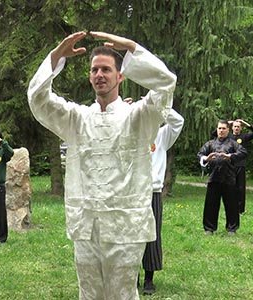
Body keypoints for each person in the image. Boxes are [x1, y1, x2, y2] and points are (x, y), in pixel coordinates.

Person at [27, 31, 177, 300]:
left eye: (106, 69)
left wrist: (132, 48)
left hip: (126, 226)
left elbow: (166, 84)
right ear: (89, 77)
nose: (99, 75)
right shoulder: (76, 118)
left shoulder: (139, 116)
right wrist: (57, 55)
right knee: (89, 293)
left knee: (122, 294)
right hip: (86, 225)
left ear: (120, 76)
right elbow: (38, 100)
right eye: (94, 70)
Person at [142, 108, 184, 295]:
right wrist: (123, 109)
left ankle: (149, 279)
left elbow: (178, 121)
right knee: (129, 236)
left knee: (152, 235)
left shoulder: (162, 135)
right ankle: (130, 275)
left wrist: (159, 105)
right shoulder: (130, 133)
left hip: (153, 192)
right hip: (130, 193)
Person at [197, 120, 247, 236]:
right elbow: (200, 154)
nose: (221, 130)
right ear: (217, 129)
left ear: (228, 130)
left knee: (232, 205)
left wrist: (230, 156)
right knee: (211, 205)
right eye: (219, 128)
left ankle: (232, 229)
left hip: (229, 178)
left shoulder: (233, 143)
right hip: (213, 178)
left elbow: (243, 152)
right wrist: (206, 158)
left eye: (224, 128)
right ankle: (209, 228)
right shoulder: (210, 144)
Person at [229, 119, 253, 214]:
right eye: (235, 126)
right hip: (229, 165)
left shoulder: (244, 137)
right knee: (230, 187)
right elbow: (214, 133)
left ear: (241, 128)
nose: (236, 128)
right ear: (232, 128)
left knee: (241, 188)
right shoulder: (228, 136)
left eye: (238, 126)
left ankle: (240, 210)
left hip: (240, 165)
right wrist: (228, 122)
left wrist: (246, 124)